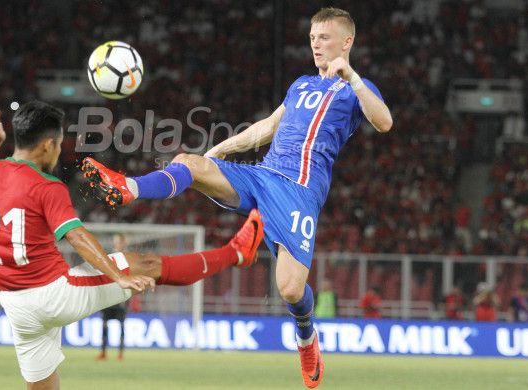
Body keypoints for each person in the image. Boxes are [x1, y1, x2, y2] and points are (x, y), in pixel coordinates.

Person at [81, 7, 391, 388]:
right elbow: (269, 126)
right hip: (262, 175)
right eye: (312, 38)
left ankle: (306, 335)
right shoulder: (301, 85)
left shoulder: (355, 89)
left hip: (298, 193)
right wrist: (223, 148)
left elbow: (384, 121)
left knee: (291, 290)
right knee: (188, 163)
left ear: (347, 41)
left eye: (324, 38)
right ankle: (130, 187)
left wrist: (354, 77)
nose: (316, 45)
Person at [0, 101, 264, 390]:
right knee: (145, 264)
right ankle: (237, 252)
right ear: (48, 144)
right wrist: (119, 275)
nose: (59, 152)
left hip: (16, 306)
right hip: (53, 294)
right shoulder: (46, 186)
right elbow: (76, 235)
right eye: (59, 145)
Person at [97, 233, 130, 361]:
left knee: (121, 325)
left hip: (122, 296)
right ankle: (103, 352)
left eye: (119, 241)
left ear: (123, 243)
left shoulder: (128, 258)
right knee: (104, 325)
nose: (117, 243)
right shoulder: (109, 256)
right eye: (115, 241)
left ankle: (120, 353)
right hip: (109, 295)